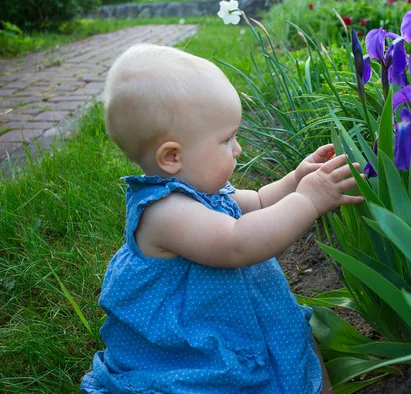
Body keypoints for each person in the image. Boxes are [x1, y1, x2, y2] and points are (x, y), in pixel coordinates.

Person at [80, 43, 364, 393]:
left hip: (241, 317)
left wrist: (294, 180)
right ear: (172, 157)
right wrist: (308, 199)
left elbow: (258, 201)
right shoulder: (166, 213)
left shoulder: (204, 192)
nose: (238, 149)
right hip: (201, 344)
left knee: (294, 351)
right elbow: (237, 243)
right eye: (227, 139)